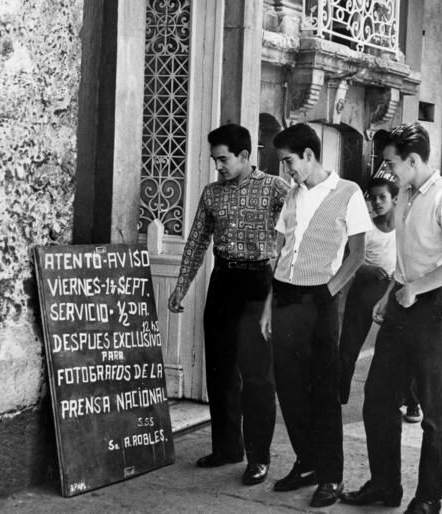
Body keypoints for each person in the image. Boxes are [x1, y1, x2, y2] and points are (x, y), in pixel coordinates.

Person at [340, 122, 442, 514]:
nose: (387, 170)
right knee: (378, 399)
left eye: (392, 163)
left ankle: (429, 497)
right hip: (400, 302)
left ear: (412, 160)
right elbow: (404, 259)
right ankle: (385, 486)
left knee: (434, 409)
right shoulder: (406, 197)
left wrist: (418, 288)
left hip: (433, 308)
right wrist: (388, 296)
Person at [167, 123, 290, 486]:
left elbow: (299, 231)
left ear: (244, 155)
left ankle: (258, 457)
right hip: (222, 281)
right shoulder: (211, 194)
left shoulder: (276, 189)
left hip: (259, 284)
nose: (218, 166)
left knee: (257, 377)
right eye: (214, 160)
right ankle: (226, 448)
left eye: (223, 159)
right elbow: (196, 242)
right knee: (220, 371)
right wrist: (181, 287)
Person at [259, 123, 373, 508]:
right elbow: (279, 250)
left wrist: (328, 292)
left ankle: (331, 477)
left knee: (323, 391)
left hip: (319, 298)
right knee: (289, 388)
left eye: (289, 161)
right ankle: (306, 462)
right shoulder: (293, 194)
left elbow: (357, 254)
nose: (286, 169)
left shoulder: (348, 193)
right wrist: (268, 306)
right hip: (284, 297)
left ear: (309, 155)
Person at [337, 175, 423, 425]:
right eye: (372, 198)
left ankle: (413, 401)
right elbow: (348, 258)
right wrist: (366, 269)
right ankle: (336, 397)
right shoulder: (366, 227)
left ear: (395, 199)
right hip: (365, 288)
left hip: (395, 289)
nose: (376, 202)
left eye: (382, 197)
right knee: (348, 347)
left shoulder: (405, 227)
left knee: (405, 347)